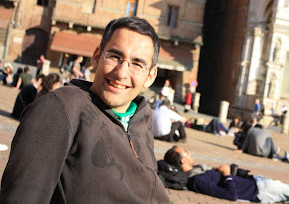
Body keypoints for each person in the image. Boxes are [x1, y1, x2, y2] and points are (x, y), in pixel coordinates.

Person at [0, 17, 170, 203]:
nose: (121, 73)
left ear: (150, 76)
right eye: (114, 57)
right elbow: (22, 196)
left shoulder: (143, 116)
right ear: (97, 57)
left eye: (137, 64)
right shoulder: (59, 108)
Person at [164, 146, 289, 204]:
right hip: (257, 190)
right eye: (186, 153)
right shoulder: (197, 179)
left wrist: (221, 172)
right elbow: (231, 196)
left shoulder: (199, 173)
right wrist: (226, 175)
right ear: (182, 162)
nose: (190, 153)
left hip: (256, 184)